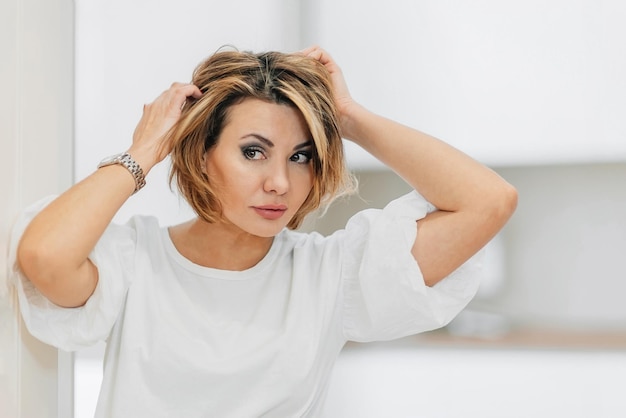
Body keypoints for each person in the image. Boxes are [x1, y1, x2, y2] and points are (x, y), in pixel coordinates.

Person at [9, 46, 517, 417]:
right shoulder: (135, 260)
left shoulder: (331, 274)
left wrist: (349, 117)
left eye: (301, 157)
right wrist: (144, 151)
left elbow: (489, 201)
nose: (279, 182)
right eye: (253, 152)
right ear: (204, 156)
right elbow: (45, 258)